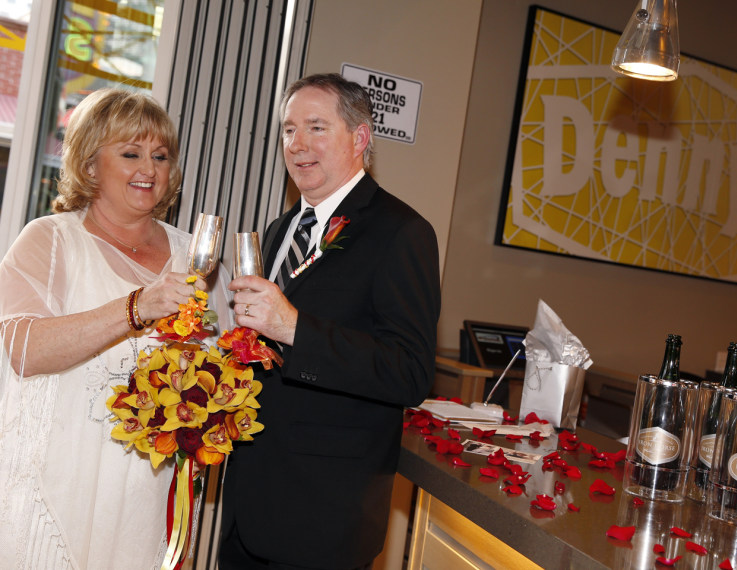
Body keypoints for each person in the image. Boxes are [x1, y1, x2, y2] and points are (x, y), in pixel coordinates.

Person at [0, 88, 232, 569]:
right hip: (52, 496)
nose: (149, 168)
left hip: (146, 505)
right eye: (130, 153)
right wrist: (135, 308)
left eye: (160, 156)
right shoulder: (50, 240)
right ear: (89, 165)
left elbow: (223, 374)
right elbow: (24, 350)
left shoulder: (199, 260)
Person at [219, 73, 441, 569]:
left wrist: (295, 328)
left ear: (359, 138)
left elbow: (409, 373)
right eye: (288, 130)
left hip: (323, 517)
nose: (298, 144)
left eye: (316, 127)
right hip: (246, 505)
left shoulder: (402, 232)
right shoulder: (279, 230)